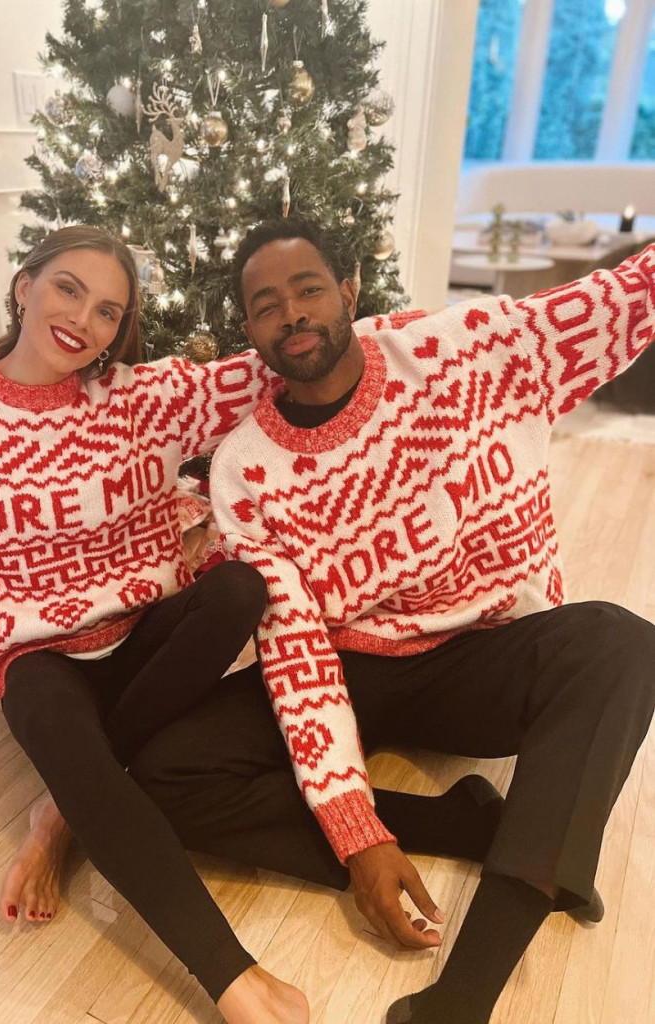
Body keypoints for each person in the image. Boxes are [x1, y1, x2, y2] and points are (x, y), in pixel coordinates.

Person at [125, 218, 655, 1024]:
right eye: (265, 306)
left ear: (348, 291)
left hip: (484, 654)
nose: (291, 314)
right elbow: (296, 651)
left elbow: (623, 295)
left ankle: (461, 996)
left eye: (307, 289)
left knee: (622, 644)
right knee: (167, 774)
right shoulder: (244, 468)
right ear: (250, 332)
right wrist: (359, 836)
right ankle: (463, 826)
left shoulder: (471, 346)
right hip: (354, 667)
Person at [0, 225, 312, 1024]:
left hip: (140, 635)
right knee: (49, 708)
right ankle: (229, 973)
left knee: (236, 589)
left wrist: (387, 331)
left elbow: (276, 362)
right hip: (36, 659)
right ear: (24, 287)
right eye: (67, 289)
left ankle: (60, 810)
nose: (82, 321)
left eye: (107, 311)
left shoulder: (139, 398)